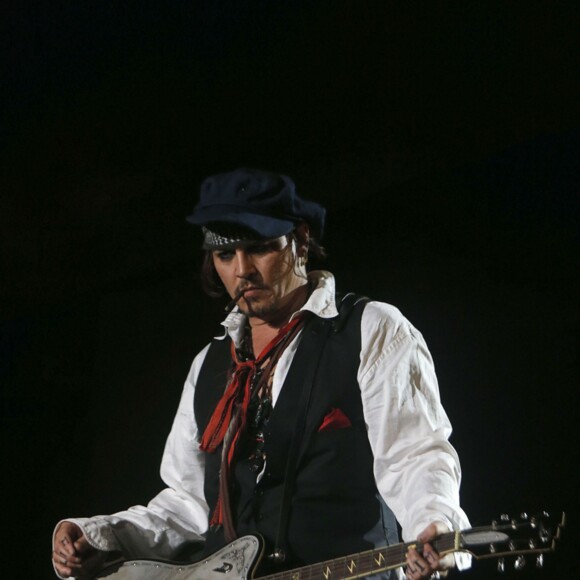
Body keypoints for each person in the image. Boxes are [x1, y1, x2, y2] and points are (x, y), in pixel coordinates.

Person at [52, 168, 470, 580]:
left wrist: (433, 525)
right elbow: (188, 503)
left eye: (259, 248)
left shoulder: (369, 329)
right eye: (225, 255)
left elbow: (414, 454)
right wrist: (100, 536)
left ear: (301, 240)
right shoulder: (211, 364)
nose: (242, 270)